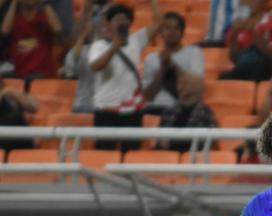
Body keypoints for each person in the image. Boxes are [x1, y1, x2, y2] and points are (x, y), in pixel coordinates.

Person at [88, 1, 163, 151]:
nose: (122, 22)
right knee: (104, 155)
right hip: (106, 110)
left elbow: (159, 23)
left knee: (131, 155)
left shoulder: (136, 41)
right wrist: (114, 47)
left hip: (132, 111)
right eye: (117, 19)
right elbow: (95, 66)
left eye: (125, 19)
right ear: (108, 24)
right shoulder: (99, 45)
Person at [141, 12, 204, 113]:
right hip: (155, 108)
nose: (172, 32)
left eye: (176, 28)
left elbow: (195, 88)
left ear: (183, 33)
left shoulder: (194, 52)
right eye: (167, 28)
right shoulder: (151, 59)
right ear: (161, 32)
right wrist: (162, 68)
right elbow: (148, 96)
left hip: (182, 108)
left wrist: (171, 66)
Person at [223, 0, 272, 82]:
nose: (248, 2)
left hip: (268, 70)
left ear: (262, 2)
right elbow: (234, 58)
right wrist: (234, 36)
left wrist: (254, 32)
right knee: (225, 79)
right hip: (243, 70)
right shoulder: (237, 25)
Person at [2, 0, 65, 80]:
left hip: (40, 74)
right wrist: (14, 2)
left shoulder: (44, 15)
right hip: (17, 73)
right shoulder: (14, 18)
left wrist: (45, 5)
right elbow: (5, 31)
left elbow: (58, 30)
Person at [158, 73, 217, 152]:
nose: (182, 87)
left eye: (187, 84)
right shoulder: (170, 110)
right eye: (181, 84)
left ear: (197, 88)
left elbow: (210, 137)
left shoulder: (205, 111)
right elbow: (160, 136)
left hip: (192, 153)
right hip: (168, 153)